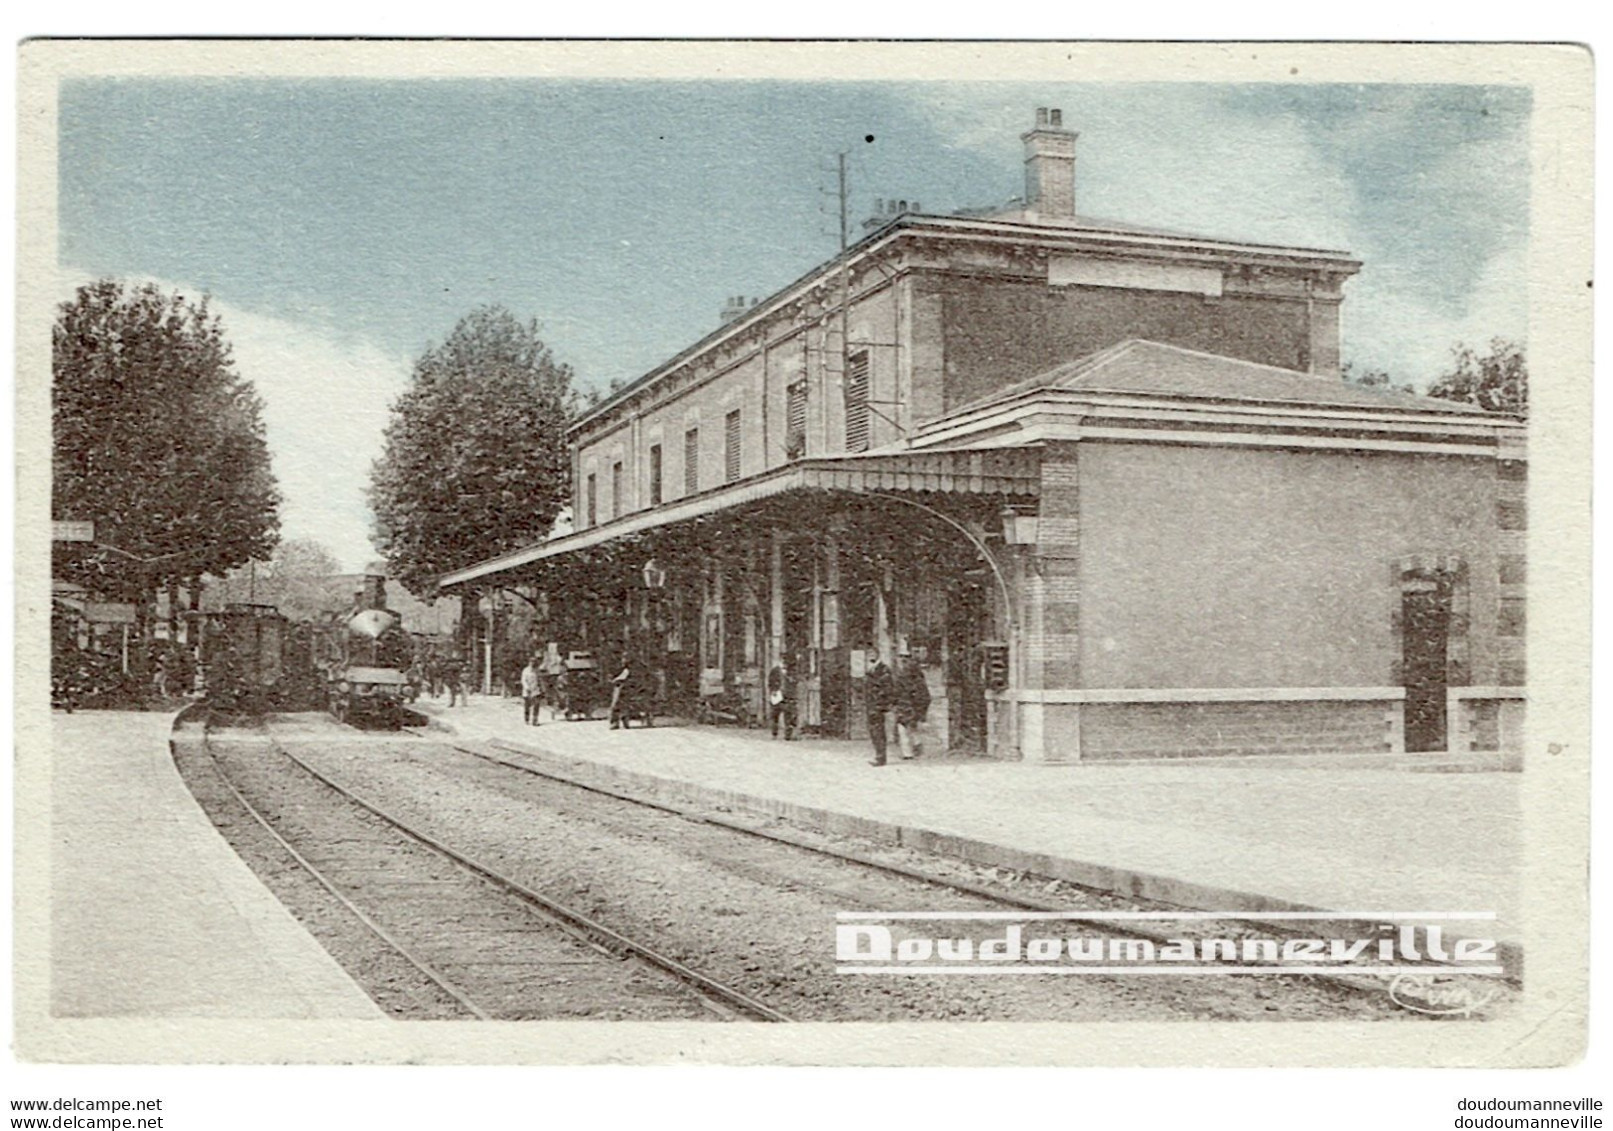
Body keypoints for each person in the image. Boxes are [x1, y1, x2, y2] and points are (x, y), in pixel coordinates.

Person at [895, 652, 931, 760]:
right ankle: (916, 744)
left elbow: (898, 691)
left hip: (905, 704)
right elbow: (925, 695)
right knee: (911, 726)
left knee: (903, 728)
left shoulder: (901, 676)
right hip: (914, 705)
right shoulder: (918, 676)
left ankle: (908, 752)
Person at [864, 649, 896, 766]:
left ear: (878, 655)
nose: (870, 656)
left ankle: (881, 757)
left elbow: (887, 688)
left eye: (873, 654)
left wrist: (881, 702)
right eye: (869, 654)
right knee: (874, 731)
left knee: (878, 731)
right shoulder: (870, 668)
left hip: (877, 705)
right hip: (871, 704)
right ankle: (879, 755)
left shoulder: (883, 669)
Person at [767, 660, 796, 740]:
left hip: (787, 696)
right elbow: (770, 683)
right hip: (777, 696)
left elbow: (793, 682)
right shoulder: (775, 671)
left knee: (788, 716)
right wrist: (773, 691)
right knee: (775, 715)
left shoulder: (791, 671)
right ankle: (774, 733)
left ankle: (788, 735)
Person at [520, 655, 542, 725]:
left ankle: (535, 720)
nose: (532, 663)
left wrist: (540, 688)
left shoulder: (537, 671)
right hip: (527, 691)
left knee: (536, 705)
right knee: (527, 706)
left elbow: (539, 679)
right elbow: (523, 680)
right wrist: (527, 688)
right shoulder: (525, 670)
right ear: (529, 662)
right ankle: (527, 719)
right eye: (531, 662)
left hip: (535, 690)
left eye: (534, 662)